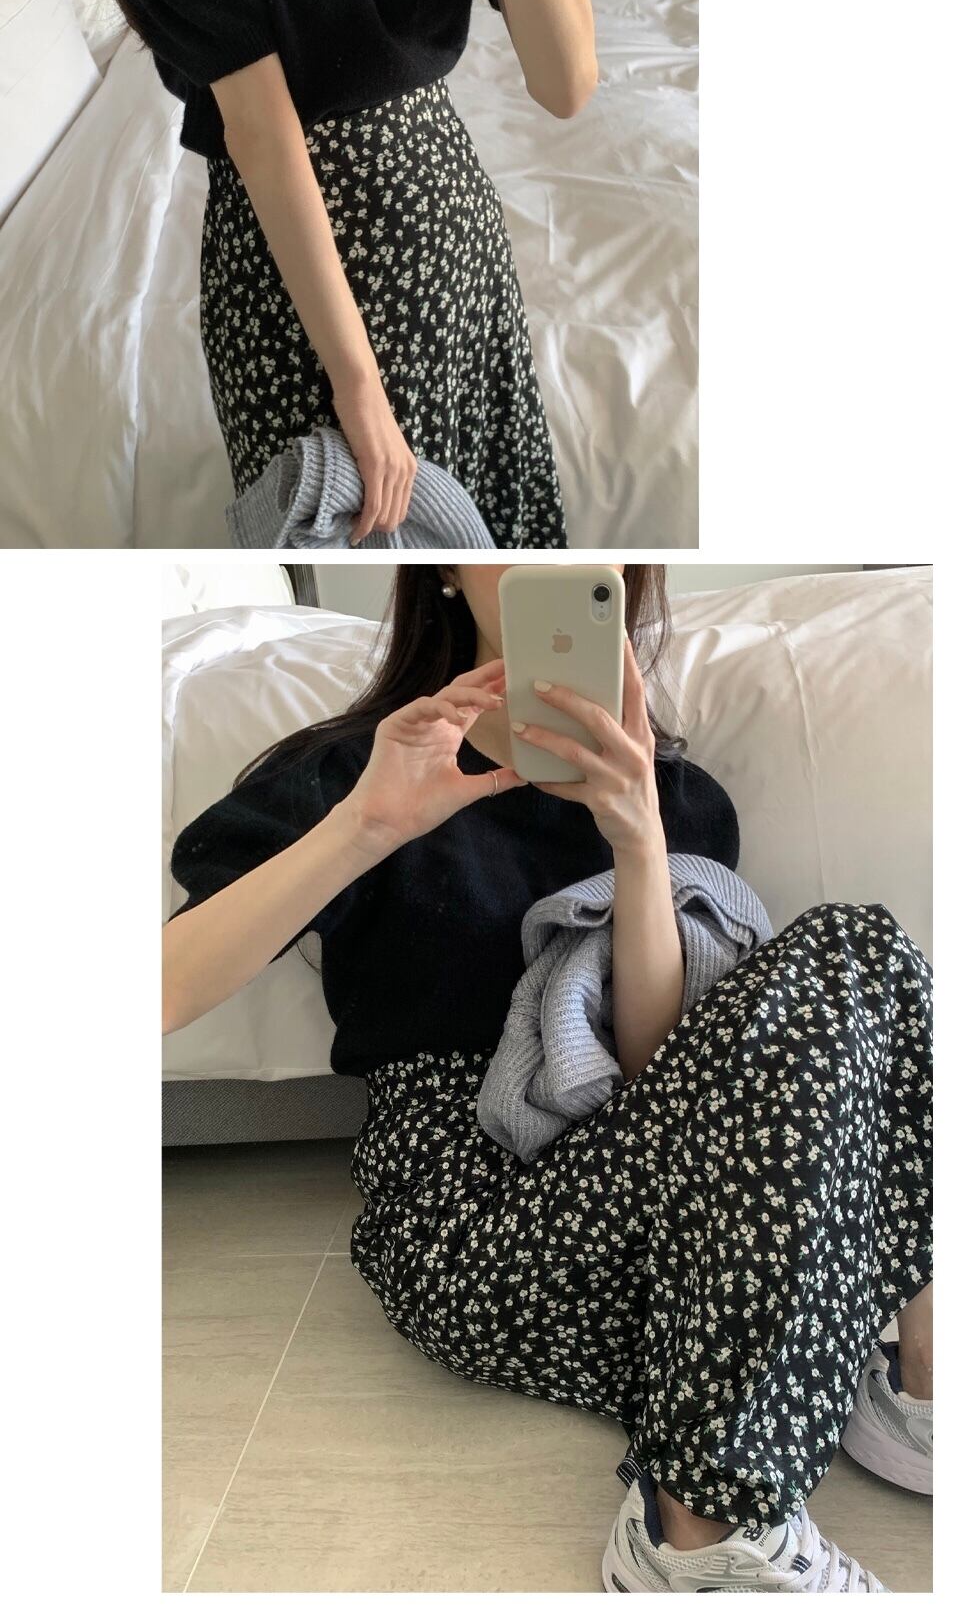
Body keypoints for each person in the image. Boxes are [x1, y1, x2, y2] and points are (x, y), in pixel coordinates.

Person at [163, 564, 933, 1593]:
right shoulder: (356, 767)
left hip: (654, 1206)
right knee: (846, 954)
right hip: (473, 1223)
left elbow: (661, 1079)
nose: (562, 561)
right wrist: (369, 823)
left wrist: (640, 837)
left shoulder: (676, 795)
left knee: (860, 951)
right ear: (444, 567)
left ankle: (923, 1383)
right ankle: (691, 1534)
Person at [94, 0, 596, 549]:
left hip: (456, 247)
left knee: (478, 528)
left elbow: (565, 83)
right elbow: (258, 124)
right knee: (352, 532)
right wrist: (356, 382)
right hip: (299, 287)